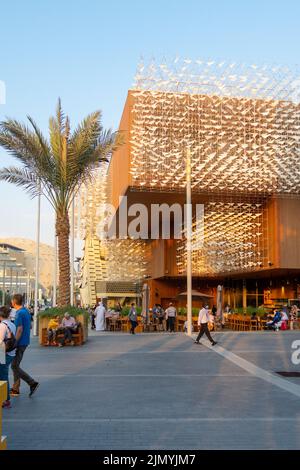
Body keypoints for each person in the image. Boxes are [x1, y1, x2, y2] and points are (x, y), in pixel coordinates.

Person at [10, 294, 39, 398]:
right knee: (15, 365)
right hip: (25, 341)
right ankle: (15, 389)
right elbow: (30, 326)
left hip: (20, 343)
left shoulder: (19, 313)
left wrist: (15, 342)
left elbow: (19, 329)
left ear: (14, 302)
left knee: (14, 366)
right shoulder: (26, 311)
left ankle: (32, 383)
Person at [0, 306, 17, 408]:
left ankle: (6, 399)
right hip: (11, 353)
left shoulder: (2, 325)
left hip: (3, 353)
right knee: (3, 375)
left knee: (3, 376)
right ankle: (5, 398)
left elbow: (0, 341)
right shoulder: (11, 324)